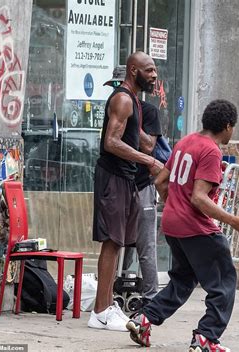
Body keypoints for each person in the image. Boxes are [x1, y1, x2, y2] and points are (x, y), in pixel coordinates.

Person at [126, 99, 239, 351]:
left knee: (183, 280)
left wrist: (175, 206)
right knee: (223, 283)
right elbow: (199, 197)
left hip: (173, 225)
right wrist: (234, 221)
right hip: (197, 228)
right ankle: (207, 337)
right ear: (228, 126)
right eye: (234, 128)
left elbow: (160, 182)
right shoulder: (211, 150)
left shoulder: (185, 142)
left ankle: (144, 318)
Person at [88, 52, 163, 331]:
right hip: (114, 177)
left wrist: (147, 153)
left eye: (155, 70)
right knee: (112, 241)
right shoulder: (121, 98)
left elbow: (142, 143)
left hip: (126, 178)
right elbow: (111, 142)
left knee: (117, 242)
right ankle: (101, 311)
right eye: (150, 70)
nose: (154, 75)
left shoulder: (135, 102)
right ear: (133, 71)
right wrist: (149, 161)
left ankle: (106, 307)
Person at [103, 67, 162, 312]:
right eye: (114, 88)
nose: (118, 92)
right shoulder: (118, 106)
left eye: (121, 86)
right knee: (117, 240)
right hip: (120, 182)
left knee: (145, 243)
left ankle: (150, 296)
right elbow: (109, 143)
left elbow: (149, 147)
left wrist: (131, 124)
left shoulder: (148, 111)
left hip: (142, 184)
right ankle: (116, 289)